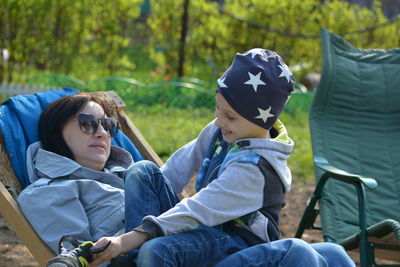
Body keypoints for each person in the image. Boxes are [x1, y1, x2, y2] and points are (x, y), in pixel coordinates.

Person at [89, 48, 353, 267]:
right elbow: (177, 168)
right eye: (218, 108)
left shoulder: (257, 169)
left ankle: (140, 253)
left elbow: (200, 207)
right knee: (143, 171)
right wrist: (129, 235)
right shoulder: (221, 130)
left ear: (261, 119)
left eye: (230, 116)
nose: (218, 120)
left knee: (156, 251)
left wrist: (132, 238)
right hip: (204, 231)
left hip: (236, 245)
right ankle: (134, 260)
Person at [17, 93, 135, 266]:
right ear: (57, 132)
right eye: (88, 123)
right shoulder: (48, 192)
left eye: (108, 125)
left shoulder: (135, 174)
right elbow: (80, 257)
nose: (102, 133)